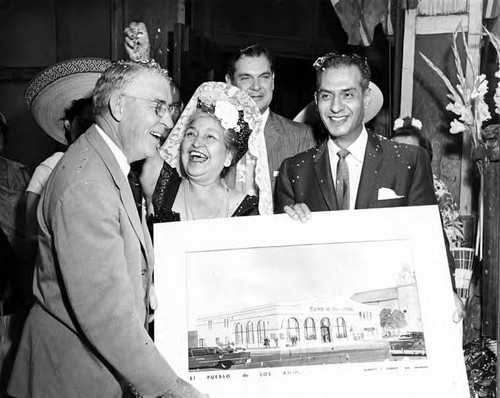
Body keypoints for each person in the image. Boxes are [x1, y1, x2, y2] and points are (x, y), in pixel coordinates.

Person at [8, 60, 206, 398]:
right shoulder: (88, 184)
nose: (169, 121)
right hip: (71, 381)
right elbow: (106, 318)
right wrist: (173, 390)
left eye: (170, 108)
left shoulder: (108, 166)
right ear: (118, 105)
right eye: (158, 107)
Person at [273, 52, 464, 322]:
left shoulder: (408, 162)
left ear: (366, 98)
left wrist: (446, 290)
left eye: (348, 94)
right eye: (327, 96)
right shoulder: (294, 171)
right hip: (321, 317)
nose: (336, 107)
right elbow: (283, 261)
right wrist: (288, 225)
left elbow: (430, 238)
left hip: (388, 312)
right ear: (316, 102)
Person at [150, 81, 262, 223]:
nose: (196, 143)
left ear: (229, 156)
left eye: (210, 137)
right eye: (191, 134)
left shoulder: (248, 209)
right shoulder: (160, 186)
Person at [225, 44, 317, 193]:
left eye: (264, 77)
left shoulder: (301, 137)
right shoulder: (212, 135)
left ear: (273, 80)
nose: (256, 86)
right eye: (246, 78)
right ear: (229, 83)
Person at [391, 116, 465, 248]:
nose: (401, 158)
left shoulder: (437, 189)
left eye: (409, 153)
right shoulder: (382, 184)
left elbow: (455, 237)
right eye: (394, 151)